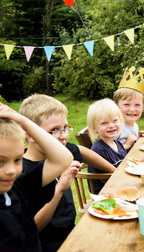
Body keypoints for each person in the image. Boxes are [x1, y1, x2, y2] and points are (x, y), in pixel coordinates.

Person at [18, 94, 116, 252]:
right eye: (54, 130)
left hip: (74, 234)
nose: (63, 135)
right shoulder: (20, 171)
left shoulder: (64, 150)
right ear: (30, 135)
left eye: (65, 127)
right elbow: (31, 229)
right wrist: (58, 191)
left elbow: (82, 151)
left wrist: (115, 171)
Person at [0, 99, 72, 251]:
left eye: (17, 160)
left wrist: (22, 121)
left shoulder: (16, 187)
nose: (11, 170)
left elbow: (63, 159)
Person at [87, 98, 127, 193]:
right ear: (95, 128)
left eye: (115, 121)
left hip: (120, 185)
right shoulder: (99, 149)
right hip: (105, 193)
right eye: (104, 123)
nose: (111, 126)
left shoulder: (117, 143)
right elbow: (105, 179)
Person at [114, 66, 144, 151]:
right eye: (127, 104)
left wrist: (138, 137)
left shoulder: (134, 126)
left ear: (143, 106)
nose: (132, 109)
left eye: (137, 105)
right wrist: (126, 145)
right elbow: (108, 153)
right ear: (116, 106)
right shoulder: (114, 128)